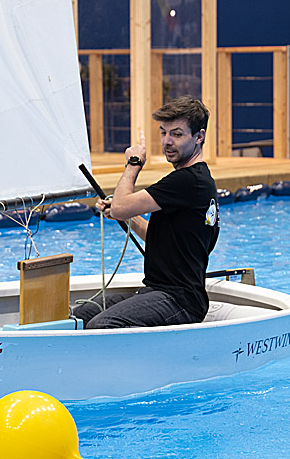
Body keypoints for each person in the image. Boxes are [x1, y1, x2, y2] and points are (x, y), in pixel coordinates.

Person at [72, 96, 219, 330]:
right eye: (163, 133)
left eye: (177, 134)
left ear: (199, 137)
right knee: (80, 315)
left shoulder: (188, 180)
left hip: (180, 300)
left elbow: (121, 206)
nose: (167, 141)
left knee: (102, 324)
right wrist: (125, 213)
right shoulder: (193, 181)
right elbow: (157, 236)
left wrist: (133, 163)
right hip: (157, 291)